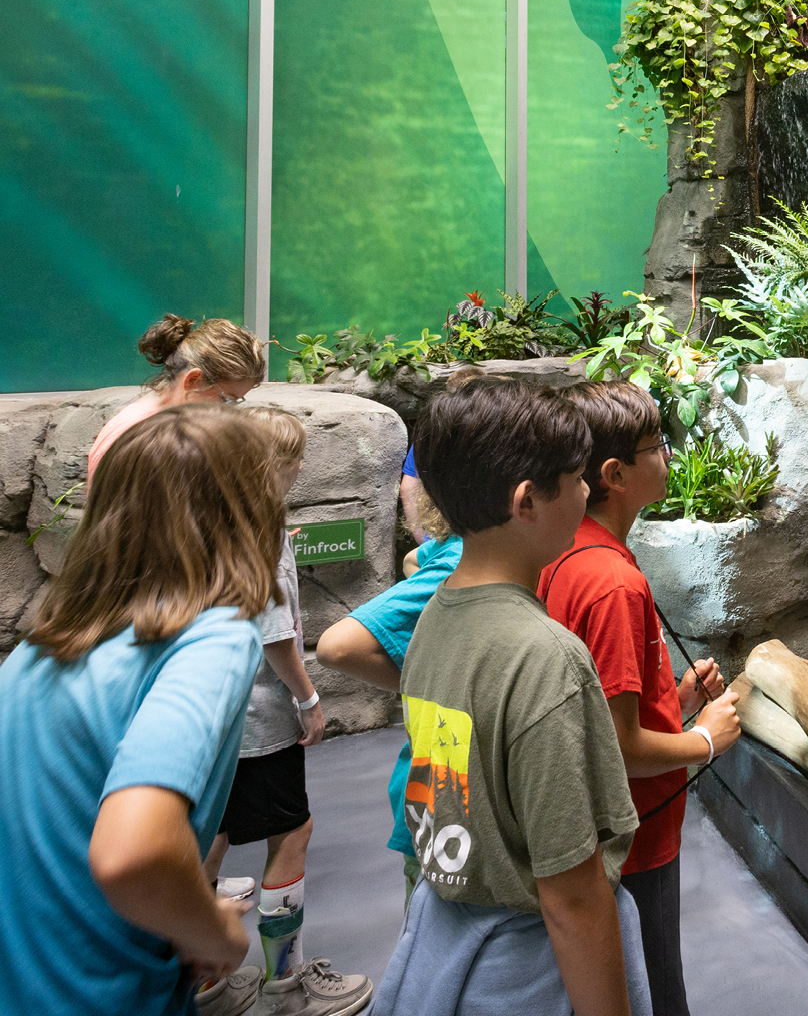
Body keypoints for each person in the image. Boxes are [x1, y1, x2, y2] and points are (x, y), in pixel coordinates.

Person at [370, 377, 650, 1016]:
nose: (587, 491)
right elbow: (572, 895)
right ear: (527, 501)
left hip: (449, 937)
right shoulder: (545, 658)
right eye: (576, 478)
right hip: (525, 971)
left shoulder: (437, 615)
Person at [0, 407, 280, 1016]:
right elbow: (134, 852)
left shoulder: (33, 653)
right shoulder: (215, 639)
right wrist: (213, 931)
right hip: (101, 993)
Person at [540, 383, 742, 1016]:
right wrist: (706, 736)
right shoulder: (613, 583)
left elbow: (598, 710)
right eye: (658, 445)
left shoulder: (561, 554)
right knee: (653, 990)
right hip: (636, 836)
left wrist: (674, 697)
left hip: (592, 826)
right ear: (614, 474)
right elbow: (619, 748)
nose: (669, 455)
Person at [199, 408, 371, 1016]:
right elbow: (275, 636)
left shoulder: (208, 518)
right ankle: (287, 982)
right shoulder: (263, 531)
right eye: (295, 458)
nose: (301, 468)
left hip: (211, 714)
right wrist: (309, 699)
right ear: (274, 467)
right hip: (259, 717)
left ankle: (203, 981)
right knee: (291, 832)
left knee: (210, 835)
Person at [316, 477, 464, 899]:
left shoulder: (448, 549)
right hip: (445, 795)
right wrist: (429, 682)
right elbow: (335, 647)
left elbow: (414, 560)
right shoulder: (459, 564)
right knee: (431, 922)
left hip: (434, 781)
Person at [89, 315, 266, 480]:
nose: (228, 411)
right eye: (226, 399)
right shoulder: (134, 435)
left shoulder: (180, 425)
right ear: (193, 380)